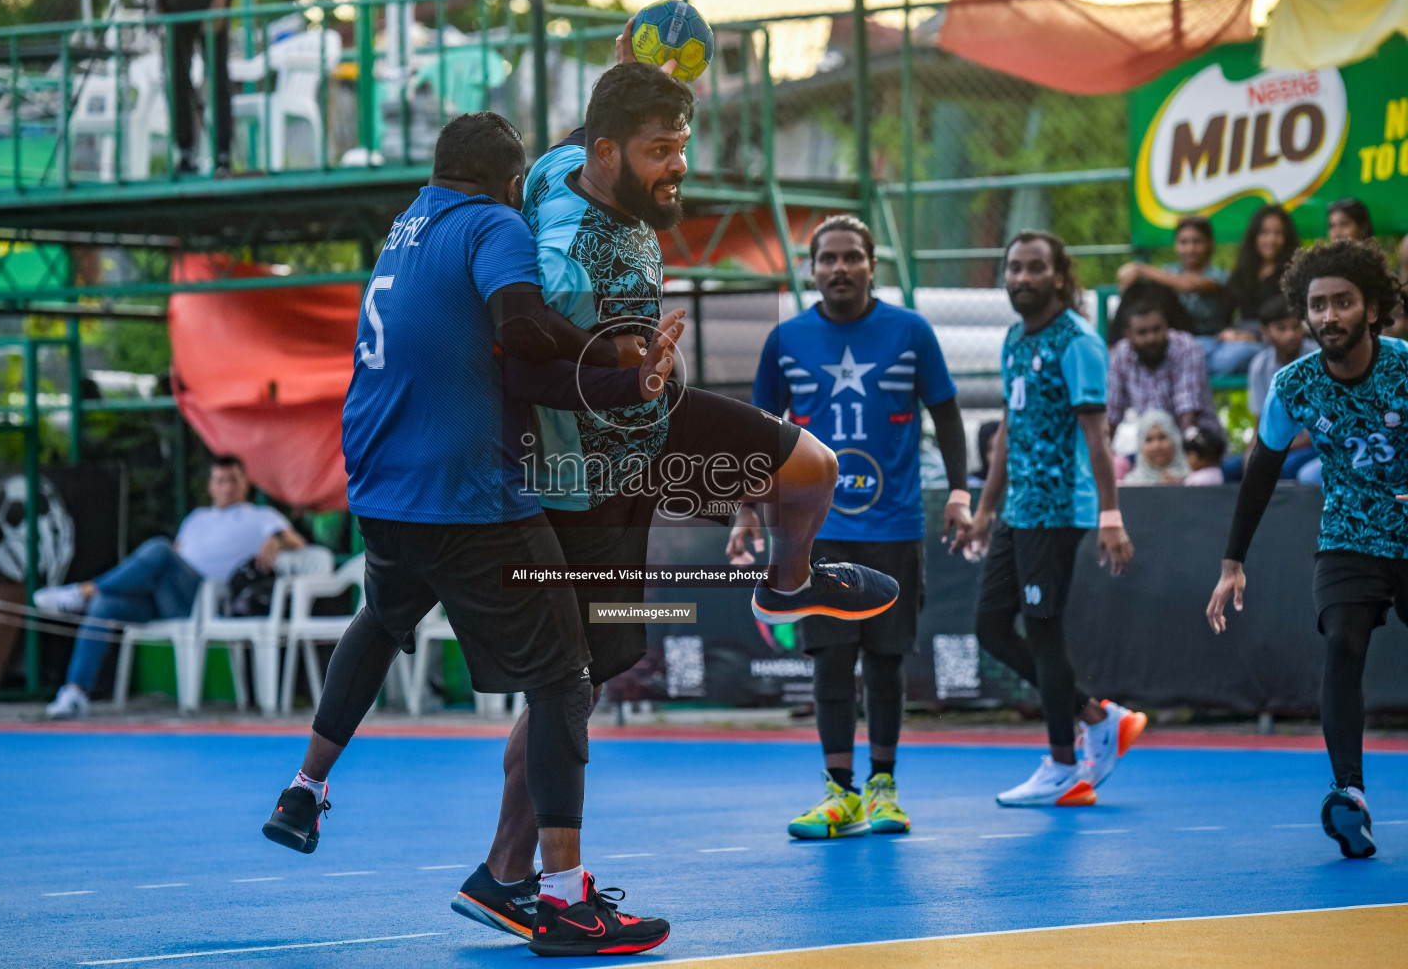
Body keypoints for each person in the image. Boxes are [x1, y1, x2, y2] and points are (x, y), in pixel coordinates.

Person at [452, 48, 897, 940]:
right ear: (613, 154)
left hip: (655, 429)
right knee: (570, 688)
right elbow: (524, 364)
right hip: (589, 481)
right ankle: (517, 881)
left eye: (682, 143)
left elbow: (581, 130)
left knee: (812, 469)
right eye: (663, 148)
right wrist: (625, 367)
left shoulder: (560, 165)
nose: (680, 164)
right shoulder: (566, 255)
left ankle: (789, 581)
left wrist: (625, 66)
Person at [260, 111, 687, 956]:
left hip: (382, 486)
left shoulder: (406, 226)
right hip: (464, 493)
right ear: (506, 184)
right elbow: (522, 330)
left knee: (382, 620)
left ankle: (304, 787)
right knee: (566, 678)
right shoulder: (494, 223)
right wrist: (622, 368)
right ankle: (563, 900)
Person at [738, 214, 971, 839]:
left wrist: (958, 493)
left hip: (894, 527)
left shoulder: (912, 333)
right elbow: (756, 436)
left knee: (887, 659)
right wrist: (743, 513)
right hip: (812, 531)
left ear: (872, 265)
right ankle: (838, 794)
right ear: (811, 269)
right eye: (827, 259)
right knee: (830, 658)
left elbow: (947, 415)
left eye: (852, 257)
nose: (839, 268)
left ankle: (883, 789)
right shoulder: (784, 341)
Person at [1207, 239, 1406, 860]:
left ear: (1372, 309)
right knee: (1343, 643)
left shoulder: (1405, 367)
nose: (1328, 316)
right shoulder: (1294, 385)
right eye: (1317, 305)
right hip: (1348, 533)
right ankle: (1350, 793)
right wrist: (1231, 562)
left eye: (1343, 302)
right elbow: (1262, 469)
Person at [954, 231, 1144, 807]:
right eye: (1013, 268)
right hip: (1017, 510)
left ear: (1059, 276)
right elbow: (1010, 432)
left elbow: (1096, 435)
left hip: (1059, 508)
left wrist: (1111, 514)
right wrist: (986, 510)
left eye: (1035, 268)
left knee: (1042, 630)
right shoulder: (1014, 338)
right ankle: (1095, 715)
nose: (1021, 278)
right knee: (990, 625)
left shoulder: (1079, 342)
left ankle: (1066, 765)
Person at [34, 454, 305, 718]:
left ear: (245, 483)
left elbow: (298, 543)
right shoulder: (196, 518)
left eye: (233, 480)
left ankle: (83, 591)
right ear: (210, 486)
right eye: (220, 480)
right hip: (162, 596)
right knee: (105, 604)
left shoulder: (261, 516)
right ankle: (75, 693)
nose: (227, 487)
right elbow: (178, 553)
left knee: (159, 549)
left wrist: (278, 539)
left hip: (201, 598)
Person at [1116, 216, 1245, 373]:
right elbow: (1125, 277)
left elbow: (1188, 285)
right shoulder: (1167, 271)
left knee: (1158, 289)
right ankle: (1116, 344)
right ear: (1176, 245)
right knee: (1140, 290)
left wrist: (1141, 269)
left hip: (1203, 335)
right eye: (1184, 242)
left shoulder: (1219, 275)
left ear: (1209, 243)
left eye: (1196, 242)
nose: (1190, 249)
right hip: (1167, 333)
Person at [158, 0, 238, 175]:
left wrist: (218, 4)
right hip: (177, 10)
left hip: (212, 7)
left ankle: (223, 153)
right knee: (179, 81)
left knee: (218, 79)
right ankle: (185, 152)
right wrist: (161, 0)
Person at [1106, 293, 1224, 440]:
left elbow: (1187, 406)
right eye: (1142, 333)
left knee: (1197, 441)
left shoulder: (1185, 347)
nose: (1151, 338)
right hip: (1154, 446)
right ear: (1128, 335)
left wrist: (1186, 454)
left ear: (1167, 326)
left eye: (1157, 329)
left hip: (1199, 438)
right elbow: (1112, 412)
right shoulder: (1120, 355)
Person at [1247, 294, 1319, 480]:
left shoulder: (1319, 358)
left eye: (1296, 326)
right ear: (1266, 332)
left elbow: (1325, 429)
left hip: (1316, 445)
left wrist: (1275, 448)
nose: (1291, 335)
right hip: (1278, 445)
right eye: (1281, 328)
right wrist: (1251, 454)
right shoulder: (1260, 366)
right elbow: (1259, 424)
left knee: (1285, 467)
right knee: (1233, 469)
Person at [1227, 205, 1301, 332]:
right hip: (1241, 334)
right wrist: (1227, 332)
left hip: (1278, 336)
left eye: (1278, 233)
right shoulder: (1243, 271)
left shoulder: (1295, 272)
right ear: (1254, 236)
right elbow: (1225, 308)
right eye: (1264, 232)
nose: (1271, 239)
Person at [1121, 409, 1189, 486]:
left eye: (1162, 437)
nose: (1156, 446)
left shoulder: (1193, 480)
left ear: (1175, 440)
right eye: (1149, 440)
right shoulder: (1131, 485)